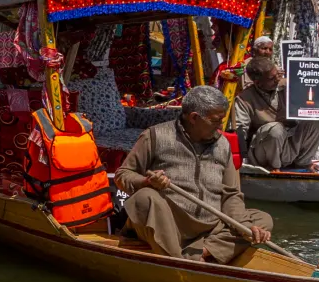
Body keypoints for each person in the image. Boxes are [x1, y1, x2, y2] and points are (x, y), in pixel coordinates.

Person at [115, 85, 273, 264]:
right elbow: (123, 174)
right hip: (166, 224)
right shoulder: (155, 136)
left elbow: (231, 195)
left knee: (262, 220)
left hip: (209, 229)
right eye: (216, 120)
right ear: (194, 118)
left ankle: (202, 253)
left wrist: (245, 227)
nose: (221, 126)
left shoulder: (223, 145)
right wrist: (146, 181)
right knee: (145, 198)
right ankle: (178, 262)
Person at [231, 54, 319, 170]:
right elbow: (240, 129)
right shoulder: (244, 98)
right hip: (265, 151)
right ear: (258, 82)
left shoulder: (289, 84)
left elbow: (315, 94)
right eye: (272, 79)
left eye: (277, 75)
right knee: (276, 129)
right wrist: (240, 158)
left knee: (317, 124)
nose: (277, 79)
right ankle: (273, 167)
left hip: (290, 144)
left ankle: (303, 163)